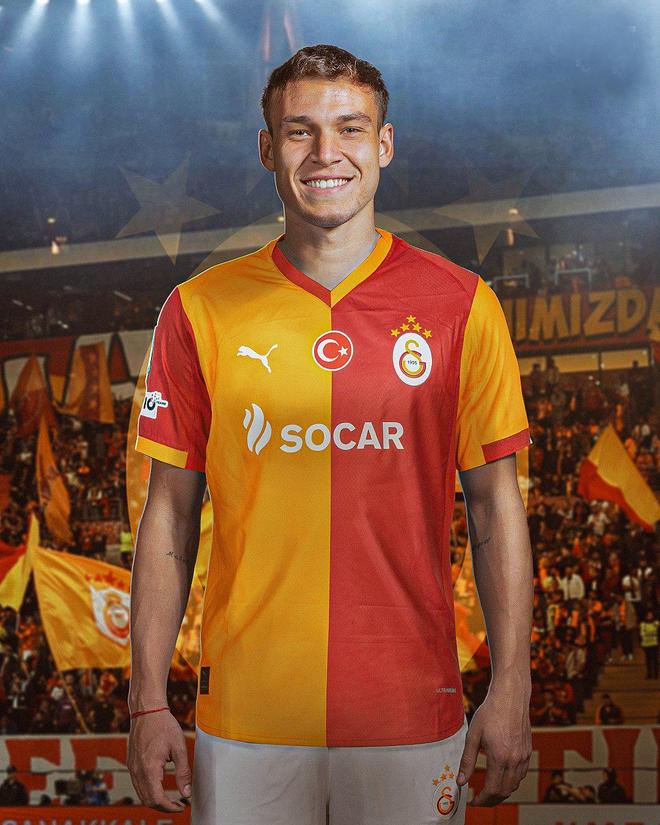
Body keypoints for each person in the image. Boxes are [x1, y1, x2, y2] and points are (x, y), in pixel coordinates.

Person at [127, 43, 534, 825]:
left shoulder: (462, 304)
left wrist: (512, 682)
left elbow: (494, 509)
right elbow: (168, 517)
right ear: (267, 148)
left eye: (350, 128)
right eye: (299, 131)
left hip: (411, 711)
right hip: (244, 719)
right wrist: (147, 701)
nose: (325, 152)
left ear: (385, 144)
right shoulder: (198, 309)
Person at [639, 608, 659, 679]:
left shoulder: (656, 623)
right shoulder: (643, 624)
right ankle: (649, 674)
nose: (649, 617)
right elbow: (641, 634)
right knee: (648, 660)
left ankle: (656, 675)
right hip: (646, 644)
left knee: (655, 660)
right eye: (648, 615)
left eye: (651, 615)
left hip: (654, 644)